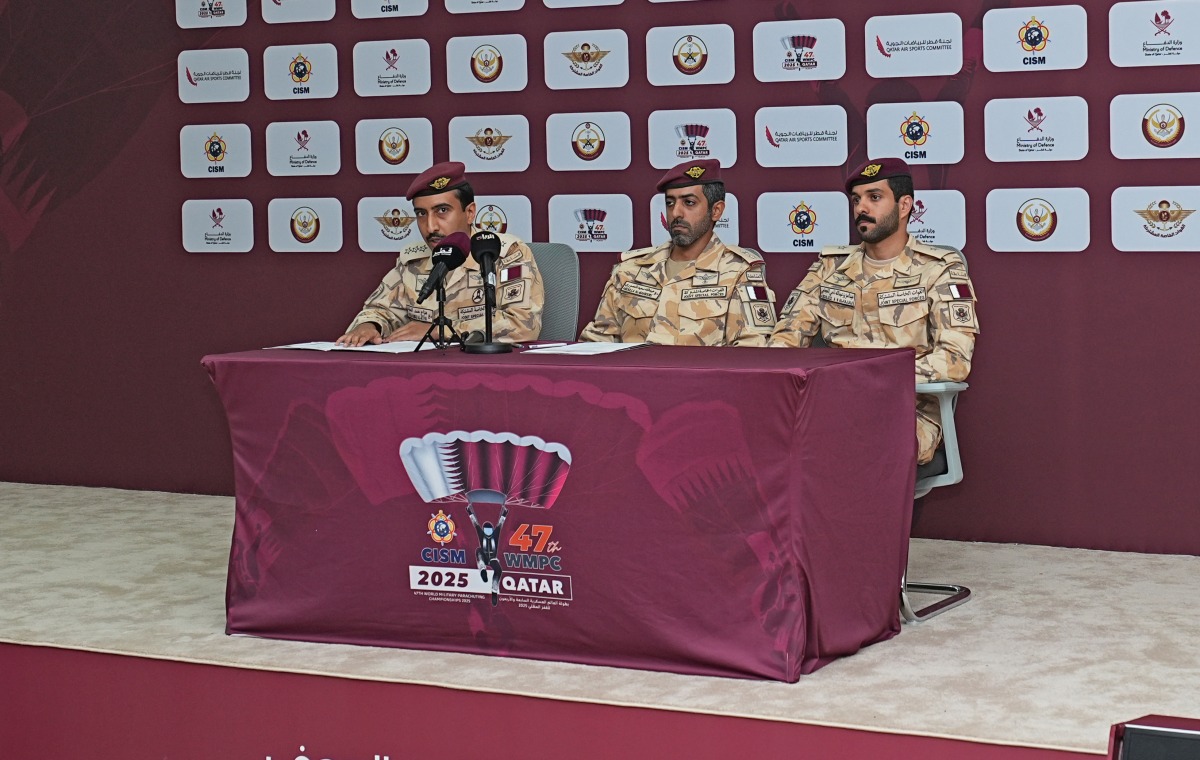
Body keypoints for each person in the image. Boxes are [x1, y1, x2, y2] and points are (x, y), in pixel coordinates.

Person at [769, 157, 979, 465]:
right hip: (831, 403)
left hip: (906, 409)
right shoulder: (831, 266)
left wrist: (869, 380)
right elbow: (784, 340)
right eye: (856, 200)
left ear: (905, 205)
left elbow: (954, 360)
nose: (861, 209)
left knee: (857, 441)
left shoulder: (940, 269)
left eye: (874, 197)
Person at [337, 161, 543, 345]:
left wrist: (441, 331)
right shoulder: (414, 259)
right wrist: (369, 326)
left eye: (442, 211)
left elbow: (523, 324)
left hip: (484, 371)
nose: (430, 226)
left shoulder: (502, 253)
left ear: (470, 212)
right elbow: (381, 309)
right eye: (421, 214)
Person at [577, 159, 777, 346]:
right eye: (670, 203)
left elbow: (752, 355)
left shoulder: (740, 273)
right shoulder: (630, 269)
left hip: (701, 384)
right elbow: (595, 346)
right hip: (629, 382)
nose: (676, 213)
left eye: (689, 202)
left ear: (716, 211)